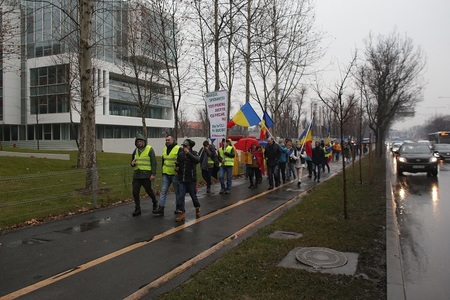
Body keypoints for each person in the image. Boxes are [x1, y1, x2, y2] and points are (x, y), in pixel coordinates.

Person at [130, 133, 158, 216]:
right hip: (137, 175)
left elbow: (154, 162)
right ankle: (137, 208)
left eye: (140, 141)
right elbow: (132, 162)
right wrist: (132, 164)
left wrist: (153, 174)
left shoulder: (149, 149)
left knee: (148, 190)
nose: (139, 143)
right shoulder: (135, 151)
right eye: (137, 141)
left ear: (144, 142)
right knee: (135, 192)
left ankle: (154, 201)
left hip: (146, 175)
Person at [153, 135, 181, 216]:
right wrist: (162, 172)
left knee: (177, 192)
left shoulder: (179, 149)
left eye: (168, 140)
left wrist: (179, 170)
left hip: (175, 174)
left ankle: (178, 208)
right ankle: (161, 208)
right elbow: (163, 161)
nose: (167, 141)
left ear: (173, 140)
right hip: (166, 174)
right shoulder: (164, 149)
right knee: (163, 191)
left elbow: (181, 161)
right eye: (166, 140)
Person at [175, 139, 201, 222]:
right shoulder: (180, 154)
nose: (184, 147)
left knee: (193, 196)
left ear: (190, 147)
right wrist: (177, 168)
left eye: (186, 146)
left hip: (191, 180)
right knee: (180, 196)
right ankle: (181, 213)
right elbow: (178, 164)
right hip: (181, 179)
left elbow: (197, 160)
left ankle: (197, 207)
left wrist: (188, 153)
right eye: (183, 146)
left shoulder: (194, 153)